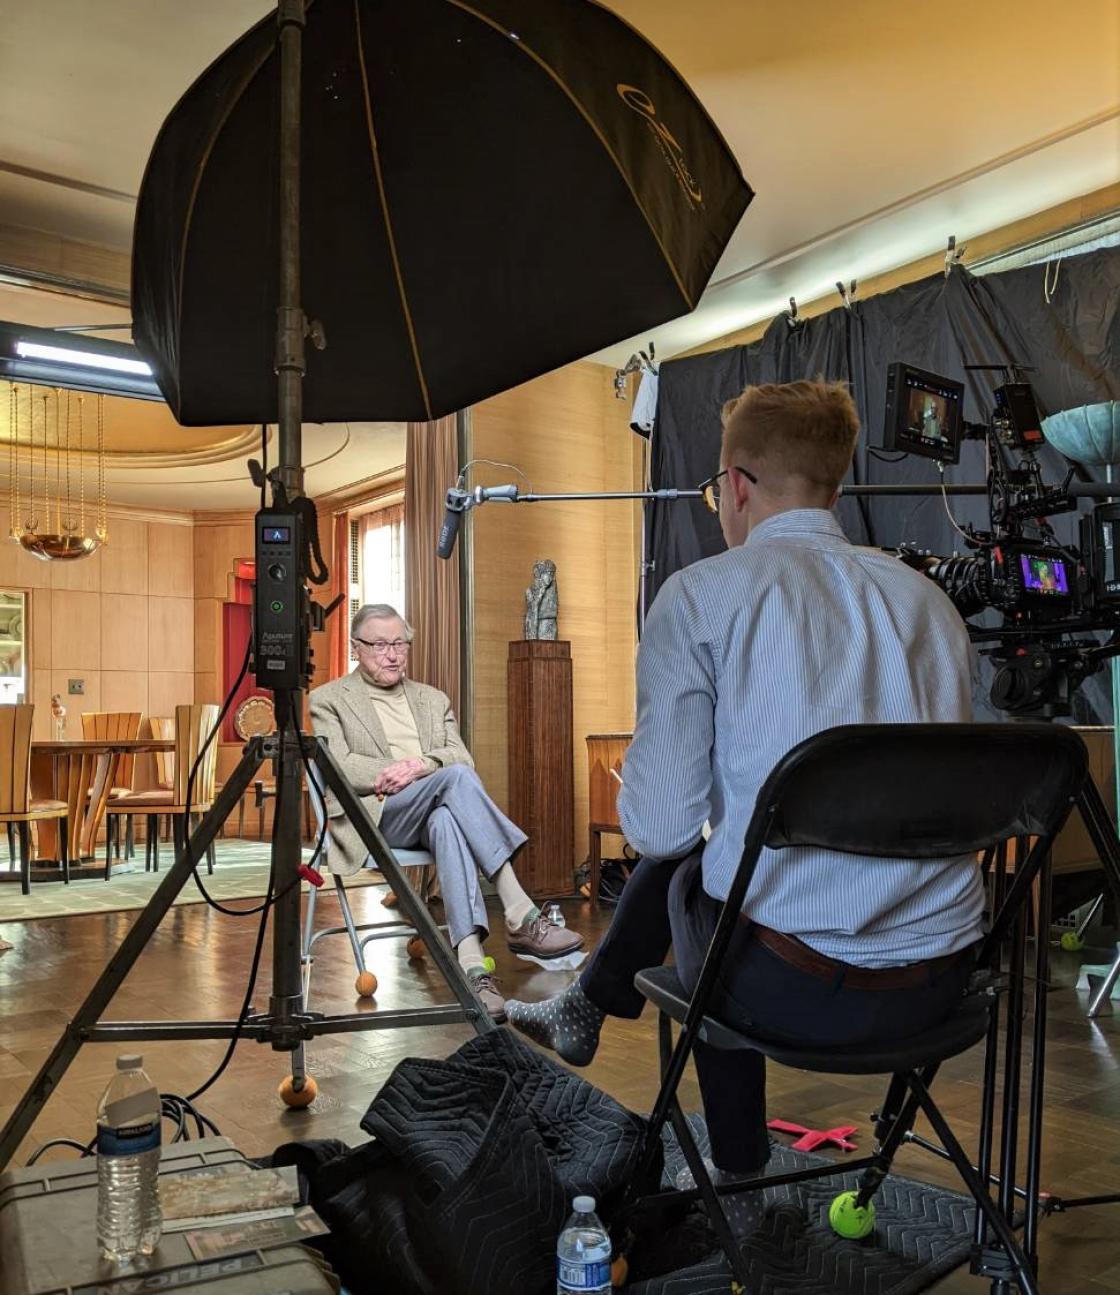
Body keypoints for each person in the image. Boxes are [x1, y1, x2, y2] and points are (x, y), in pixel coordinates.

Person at [508, 380, 984, 1230]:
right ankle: (586, 1002)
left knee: (696, 874)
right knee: (720, 872)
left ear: (733, 485)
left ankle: (734, 1170)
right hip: (940, 990)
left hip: (789, 993)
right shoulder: (933, 606)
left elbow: (652, 828)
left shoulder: (701, 595)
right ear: (834, 482)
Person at [310, 604, 583, 1020]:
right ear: (357, 648)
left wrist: (420, 765)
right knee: (453, 779)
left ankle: (473, 969)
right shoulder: (328, 699)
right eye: (380, 644)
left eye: (400, 643)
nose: (392, 654)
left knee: (447, 817)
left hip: (431, 808)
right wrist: (397, 771)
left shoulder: (432, 699)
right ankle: (519, 911)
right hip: (378, 813)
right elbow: (338, 764)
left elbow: (460, 755)